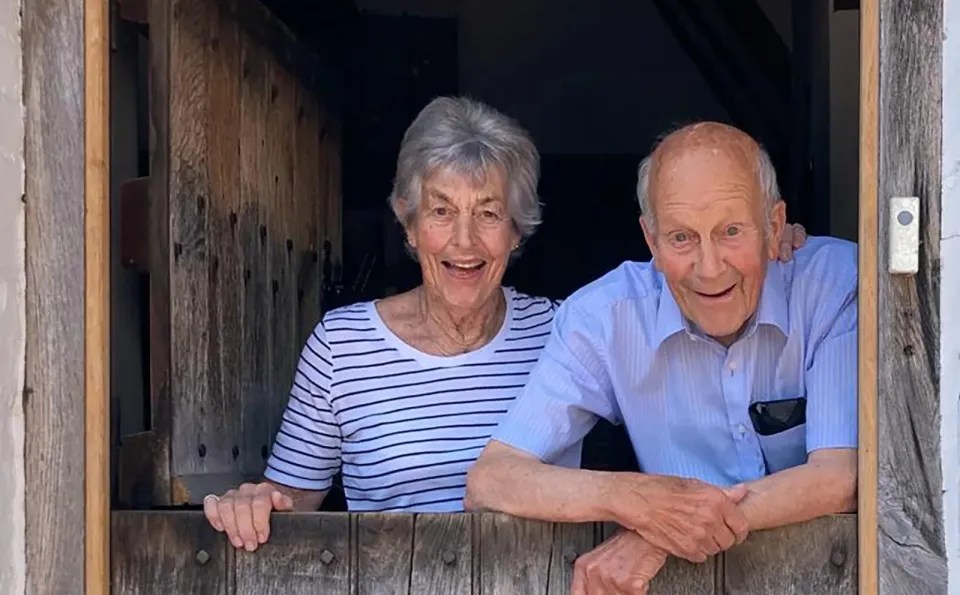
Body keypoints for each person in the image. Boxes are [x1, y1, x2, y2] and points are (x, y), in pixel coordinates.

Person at [203, 99, 807, 553]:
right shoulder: (342, 346)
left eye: (489, 214)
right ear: (408, 225)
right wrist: (255, 503)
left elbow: (696, 371)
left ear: (517, 231)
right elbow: (292, 506)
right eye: (441, 211)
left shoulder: (563, 330)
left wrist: (774, 250)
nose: (464, 241)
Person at [463, 121, 857, 595]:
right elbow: (493, 480)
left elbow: (840, 477)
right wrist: (638, 501)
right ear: (650, 238)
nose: (709, 267)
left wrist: (662, 534)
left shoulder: (836, 285)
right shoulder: (603, 318)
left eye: (731, 231)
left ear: (775, 226)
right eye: (681, 238)